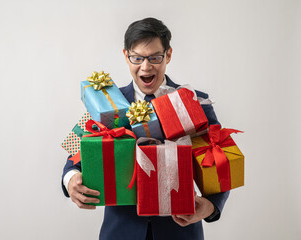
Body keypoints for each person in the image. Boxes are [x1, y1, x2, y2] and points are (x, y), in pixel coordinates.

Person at [62, 17, 230, 240]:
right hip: (121, 231)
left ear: (168, 55)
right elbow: (74, 157)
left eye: (154, 57)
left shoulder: (193, 102)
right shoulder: (107, 102)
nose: (146, 66)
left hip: (180, 230)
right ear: (126, 56)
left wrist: (210, 206)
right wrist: (71, 179)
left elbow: (219, 162)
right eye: (137, 57)